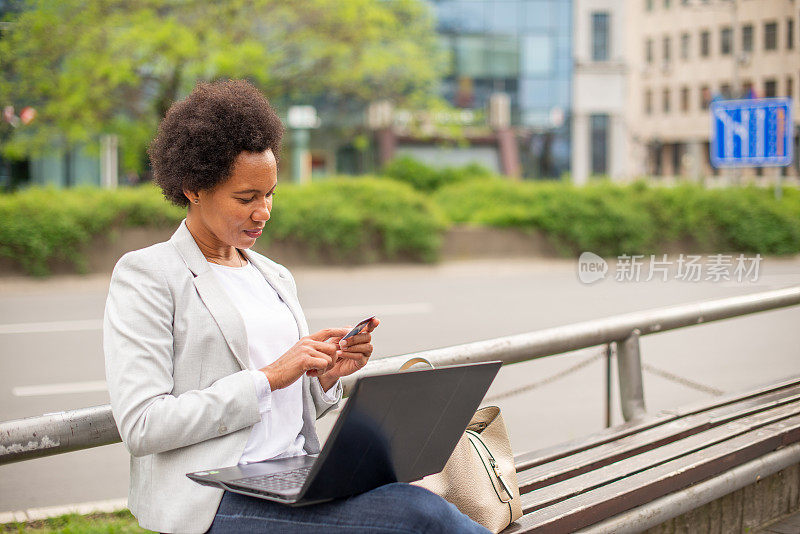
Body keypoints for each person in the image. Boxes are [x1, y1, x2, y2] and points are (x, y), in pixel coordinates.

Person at [103, 79, 490, 534]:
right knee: (416, 515)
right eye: (245, 198)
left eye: (269, 194)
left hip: (293, 474)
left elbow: (284, 406)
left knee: (413, 496)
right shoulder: (149, 275)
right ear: (193, 188)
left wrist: (323, 377)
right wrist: (271, 375)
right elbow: (144, 425)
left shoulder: (273, 275)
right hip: (214, 495)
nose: (263, 211)